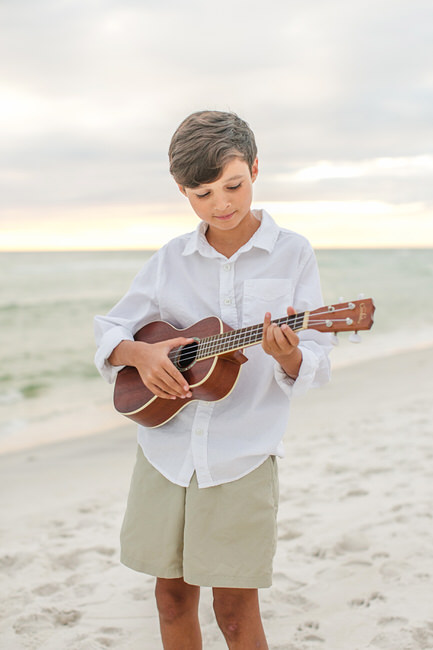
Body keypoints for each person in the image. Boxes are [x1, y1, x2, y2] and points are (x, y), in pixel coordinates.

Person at [94, 110, 332, 649]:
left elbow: (318, 358)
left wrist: (289, 357)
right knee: (171, 598)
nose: (221, 204)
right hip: (165, 451)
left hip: (241, 456)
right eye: (202, 194)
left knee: (233, 609)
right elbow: (110, 330)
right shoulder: (170, 259)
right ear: (182, 191)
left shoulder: (292, 252)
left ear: (253, 168)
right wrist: (142, 353)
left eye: (233, 186)